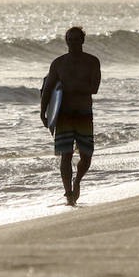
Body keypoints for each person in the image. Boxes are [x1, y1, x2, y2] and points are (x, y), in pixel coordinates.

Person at [41, 26, 101, 205]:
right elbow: (48, 89)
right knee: (65, 155)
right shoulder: (58, 63)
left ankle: (78, 180)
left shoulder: (92, 62)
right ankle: (68, 193)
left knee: (86, 156)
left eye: (76, 39)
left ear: (83, 40)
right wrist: (43, 112)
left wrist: (75, 87)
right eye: (70, 39)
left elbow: (95, 88)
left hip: (83, 113)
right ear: (66, 41)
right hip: (64, 115)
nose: (73, 42)